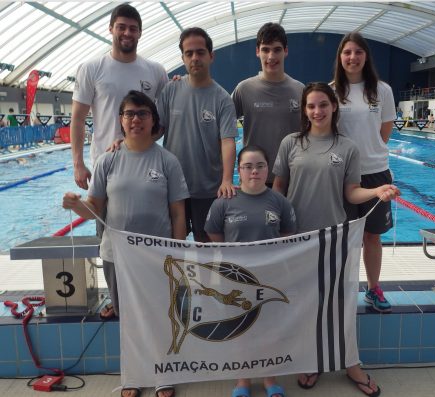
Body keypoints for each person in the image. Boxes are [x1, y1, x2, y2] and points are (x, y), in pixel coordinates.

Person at [272, 82, 399, 397]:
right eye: (311, 106)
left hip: (335, 238)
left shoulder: (347, 148)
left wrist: (377, 191)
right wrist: (276, 227)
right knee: (306, 304)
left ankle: (351, 364)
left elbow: (351, 193)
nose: (317, 111)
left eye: (323, 105)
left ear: (333, 107)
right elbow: (278, 189)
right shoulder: (291, 143)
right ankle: (312, 360)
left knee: (341, 304)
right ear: (305, 110)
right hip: (298, 239)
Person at [62, 91, 188, 397]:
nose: (136, 119)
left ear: (153, 120)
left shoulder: (167, 161)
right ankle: (133, 374)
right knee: (126, 317)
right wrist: (76, 205)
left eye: (143, 113)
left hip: (156, 255)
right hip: (117, 255)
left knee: (159, 314)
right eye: (129, 114)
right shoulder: (108, 160)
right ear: (121, 120)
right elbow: (95, 207)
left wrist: (178, 253)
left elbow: (178, 213)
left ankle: (162, 372)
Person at [205, 145, 296, 397]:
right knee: (240, 330)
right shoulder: (224, 202)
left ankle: (269, 378)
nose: (254, 171)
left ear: (268, 170)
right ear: (239, 170)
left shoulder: (279, 202)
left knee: (270, 329)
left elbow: (287, 236)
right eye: (247, 166)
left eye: (259, 166)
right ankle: (242, 380)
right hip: (235, 280)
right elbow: (214, 235)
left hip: (270, 277)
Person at [331, 32, 397, 313]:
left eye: (358, 51)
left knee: (372, 235)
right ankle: (342, 289)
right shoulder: (333, 91)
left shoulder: (382, 90)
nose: (353, 57)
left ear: (366, 56)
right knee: (343, 238)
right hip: (341, 174)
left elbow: (385, 131)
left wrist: (371, 152)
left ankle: (373, 288)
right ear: (340, 57)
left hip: (375, 172)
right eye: (347, 52)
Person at [70, 4, 167, 191]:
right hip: (105, 162)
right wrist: (78, 164)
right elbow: (78, 118)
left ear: (140, 33)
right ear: (110, 29)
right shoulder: (91, 68)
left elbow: (165, 118)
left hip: (145, 162)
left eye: (133, 28)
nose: (127, 33)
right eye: (121, 27)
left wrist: (139, 142)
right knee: (103, 210)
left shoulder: (156, 71)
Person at [156, 27, 237, 242]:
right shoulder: (170, 90)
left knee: (208, 248)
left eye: (200, 52)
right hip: (173, 187)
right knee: (173, 248)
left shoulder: (222, 99)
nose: (195, 58)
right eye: (189, 53)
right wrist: (127, 142)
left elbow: (228, 141)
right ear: (183, 58)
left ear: (211, 56)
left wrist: (227, 180)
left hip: (208, 190)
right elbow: (156, 130)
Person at [231, 22, 304, 187]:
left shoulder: (300, 90)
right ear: (257, 51)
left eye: (277, 50)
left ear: (286, 51)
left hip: (291, 179)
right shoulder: (244, 89)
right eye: (265, 50)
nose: (271, 57)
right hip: (254, 180)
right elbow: (221, 130)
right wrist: (227, 178)